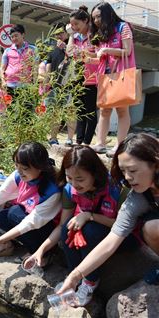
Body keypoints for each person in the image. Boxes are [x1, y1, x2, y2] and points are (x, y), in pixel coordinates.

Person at [25, 145, 139, 306]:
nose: (74, 184)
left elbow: (124, 225)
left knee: (89, 230)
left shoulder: (117, 189)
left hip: (124, 237)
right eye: (69, 178)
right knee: (68, 228)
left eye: (80, 179)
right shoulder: (69, 190)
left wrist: (89, 216)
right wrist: (41, 250)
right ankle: (74, 277)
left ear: (95, 174)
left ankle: (90, 282)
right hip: (94, 230)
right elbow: (63, 225)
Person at [58, 133, 159, 295]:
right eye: (123, 170)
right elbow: (113, 238)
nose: (127, 177)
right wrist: (75, 276)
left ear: (155, 164)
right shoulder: (138, 197)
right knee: (152, 227)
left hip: (133, 240)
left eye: (132, 170)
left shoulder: (115, 190)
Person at [89, 2, 136, 158]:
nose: (95, 20)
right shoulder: (100, 33)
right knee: (104, 110)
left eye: (98, 16)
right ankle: (100, 143)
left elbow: (127, 51)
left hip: (121, 73)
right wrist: (87, 59)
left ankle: (119, 145)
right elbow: (100, 57)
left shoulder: (123, 27)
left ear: (108, 14)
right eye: (93, 18)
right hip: (105, 74)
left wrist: (107, 50)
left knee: (122, 110)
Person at [66, 6, 99, 147]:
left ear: (86, 21)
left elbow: (100, 55)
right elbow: (68, 52)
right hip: (77, 77)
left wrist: (85, 54)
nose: (74, 27)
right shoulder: (76, 37)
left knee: (90, 111)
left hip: (92, 78)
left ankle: (87, 142)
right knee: (79, 111)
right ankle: (79, 141)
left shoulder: (94, 36)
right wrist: (71, 36)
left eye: (76, 24)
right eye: (72, 25)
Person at [46, 23, 76, 146]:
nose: (58, 36)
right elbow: (48, 63)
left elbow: (76, 58)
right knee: (55, 112)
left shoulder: (72, 44)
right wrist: (47, 80)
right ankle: (53, 138)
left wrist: (65, 48)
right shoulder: (53, 48)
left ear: (66, 33)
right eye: (56, 33)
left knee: (70, 111)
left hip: (69, 84)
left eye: (61, 33)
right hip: (55, 85)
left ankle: (69, 139)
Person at [0, 24, 36, 97]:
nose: (14, 38)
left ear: (23, 35)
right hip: (9, 86)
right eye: (12, 37)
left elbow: (35, 68)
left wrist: (35, 85)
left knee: (25, 108)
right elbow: (2, 68)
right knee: (10, 108)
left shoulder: (32, 49)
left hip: (26, 86)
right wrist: (3, 81)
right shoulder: (7, 50)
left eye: (16, 36)